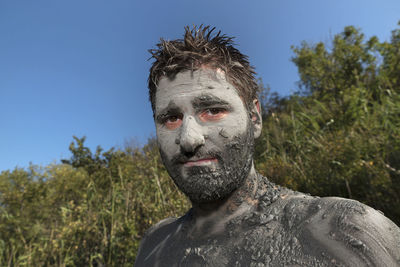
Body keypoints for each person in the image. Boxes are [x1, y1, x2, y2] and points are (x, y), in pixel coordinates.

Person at [134, 25, 400, 267]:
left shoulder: (344, 230)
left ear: (254, 118)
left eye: (213, 110)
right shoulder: (153, 246)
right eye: (171, 118)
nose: (190, 138)